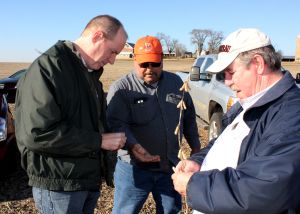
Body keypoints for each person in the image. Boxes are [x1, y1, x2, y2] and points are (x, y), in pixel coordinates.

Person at [171, 28, 300, 214]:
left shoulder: (291, 113)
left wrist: (194, 185)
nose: (227, 82)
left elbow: (265, 189)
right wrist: (198, 162)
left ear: (258, 63)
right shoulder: (248, 102)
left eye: (230, 72)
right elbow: (221, 145)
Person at [14, 15, 128, 214]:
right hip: (59, 186)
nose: (112, 60)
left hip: (83, 181)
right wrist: (99, 140)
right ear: (97, 36)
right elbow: (37, 134)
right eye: (112, 52)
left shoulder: (88, 73)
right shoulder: (49, 69)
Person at [106, 35, 201, 213]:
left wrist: (196, 147)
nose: (149, 69)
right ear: (134, 61)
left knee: (171, 210)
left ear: (162, 61)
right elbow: (116, 125)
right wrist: (134, 147)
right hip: (133, 170)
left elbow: (187, 116)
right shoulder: (122, 89)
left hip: (170, 166)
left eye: (154, 64)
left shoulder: (176, 83)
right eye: (144, 64)